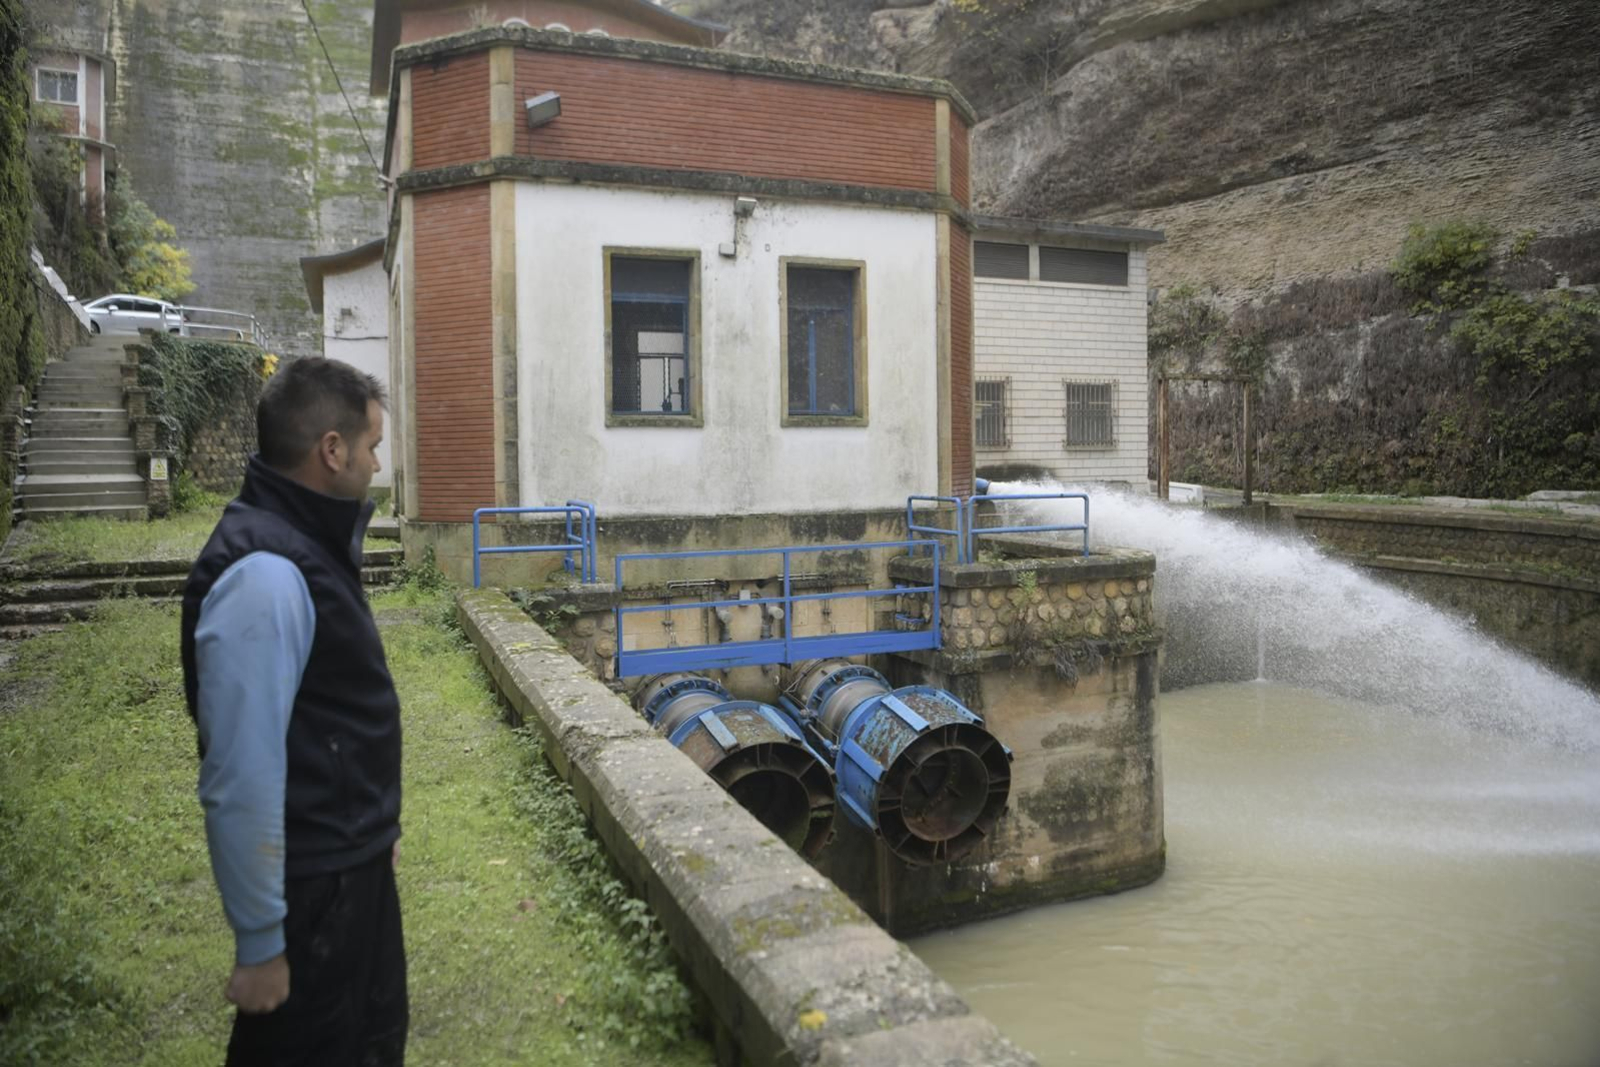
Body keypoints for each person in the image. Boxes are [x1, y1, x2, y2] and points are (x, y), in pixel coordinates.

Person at [180, 357, 407, 1065]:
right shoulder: (267, 574)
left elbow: (331, 714)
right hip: (313, 897)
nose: (377, 464)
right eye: (371, 446)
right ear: (332, 450)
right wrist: (260, 943)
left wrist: (374, 830)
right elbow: (241, 770)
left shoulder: (305, 543)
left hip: (348, 867)